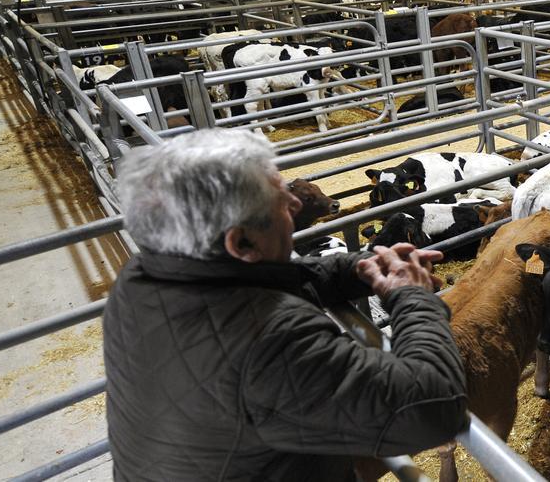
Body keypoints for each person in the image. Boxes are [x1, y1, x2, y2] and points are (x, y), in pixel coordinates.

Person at [104, 128, 468, 481]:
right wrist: (412, 296)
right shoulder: (272, 338)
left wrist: (360, 269)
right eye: (281, 199)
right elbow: (434, 409)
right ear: (242, 243)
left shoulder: (142, 278)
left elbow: (263, 276)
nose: (296, 203)